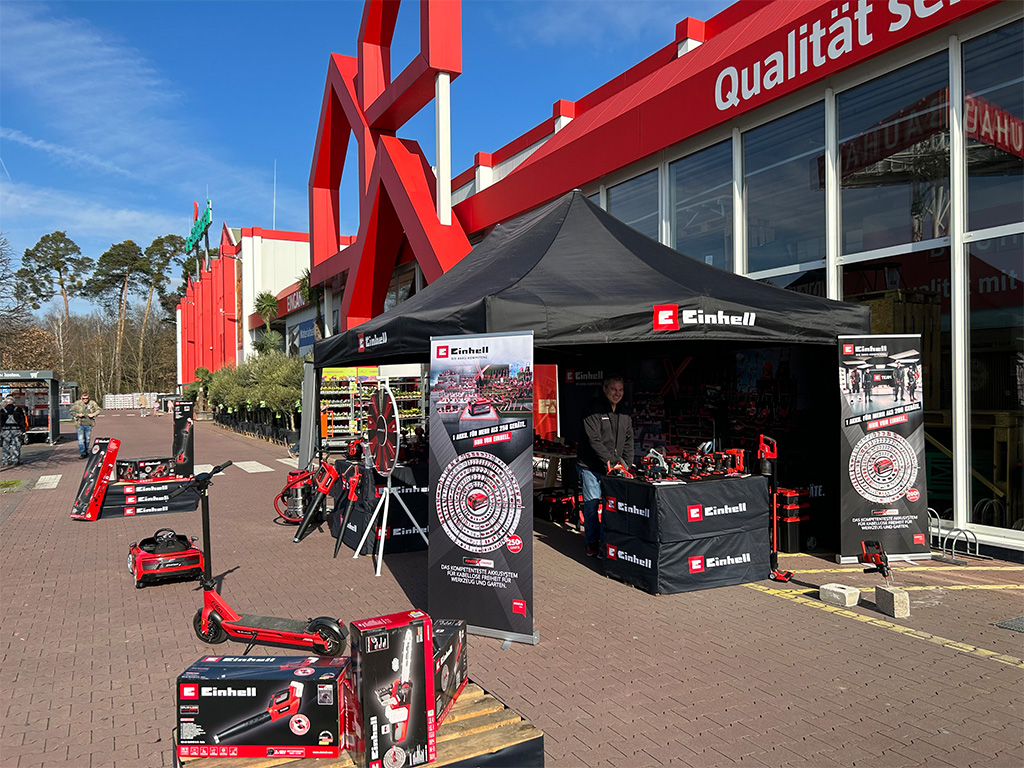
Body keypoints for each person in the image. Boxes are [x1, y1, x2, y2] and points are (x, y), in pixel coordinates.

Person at [576, 374, 634, 558]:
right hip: (591, 467)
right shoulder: (592, 410)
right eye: (614, 389)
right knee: (592, 505)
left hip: (614, 468)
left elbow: (628, 440)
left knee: (612, 508)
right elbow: (594, 440)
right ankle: (592, 542)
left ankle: (606, 544)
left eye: (621, 390)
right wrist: (611, 462)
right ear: (605, 389)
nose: (617, 393)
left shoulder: (624, 412)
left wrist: (627, 463)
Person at [69, 393, 102, 459]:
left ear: (88, 398)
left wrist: (93, 414)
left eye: (86, 398)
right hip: (79, 424)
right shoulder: (77, 403)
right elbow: (71, 411)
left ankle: (86, 451)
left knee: (87, 439)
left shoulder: (92, 403)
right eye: (83, 398)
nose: (85, 400)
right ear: (81, 398)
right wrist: (78, 414)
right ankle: (82, 453)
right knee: (81, 439)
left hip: (89, 424)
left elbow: (98, 410)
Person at [1, 396, 28, 466]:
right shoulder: (18, 410)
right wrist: (23, 429)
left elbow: (0, 422)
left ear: (6, 403)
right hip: (16, 430)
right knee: (16, 445)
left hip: (5, 430)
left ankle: (5, 460)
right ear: (13, 403)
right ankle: (16, 460)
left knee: (5, 445)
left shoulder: (3, 411)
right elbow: (22, 420)